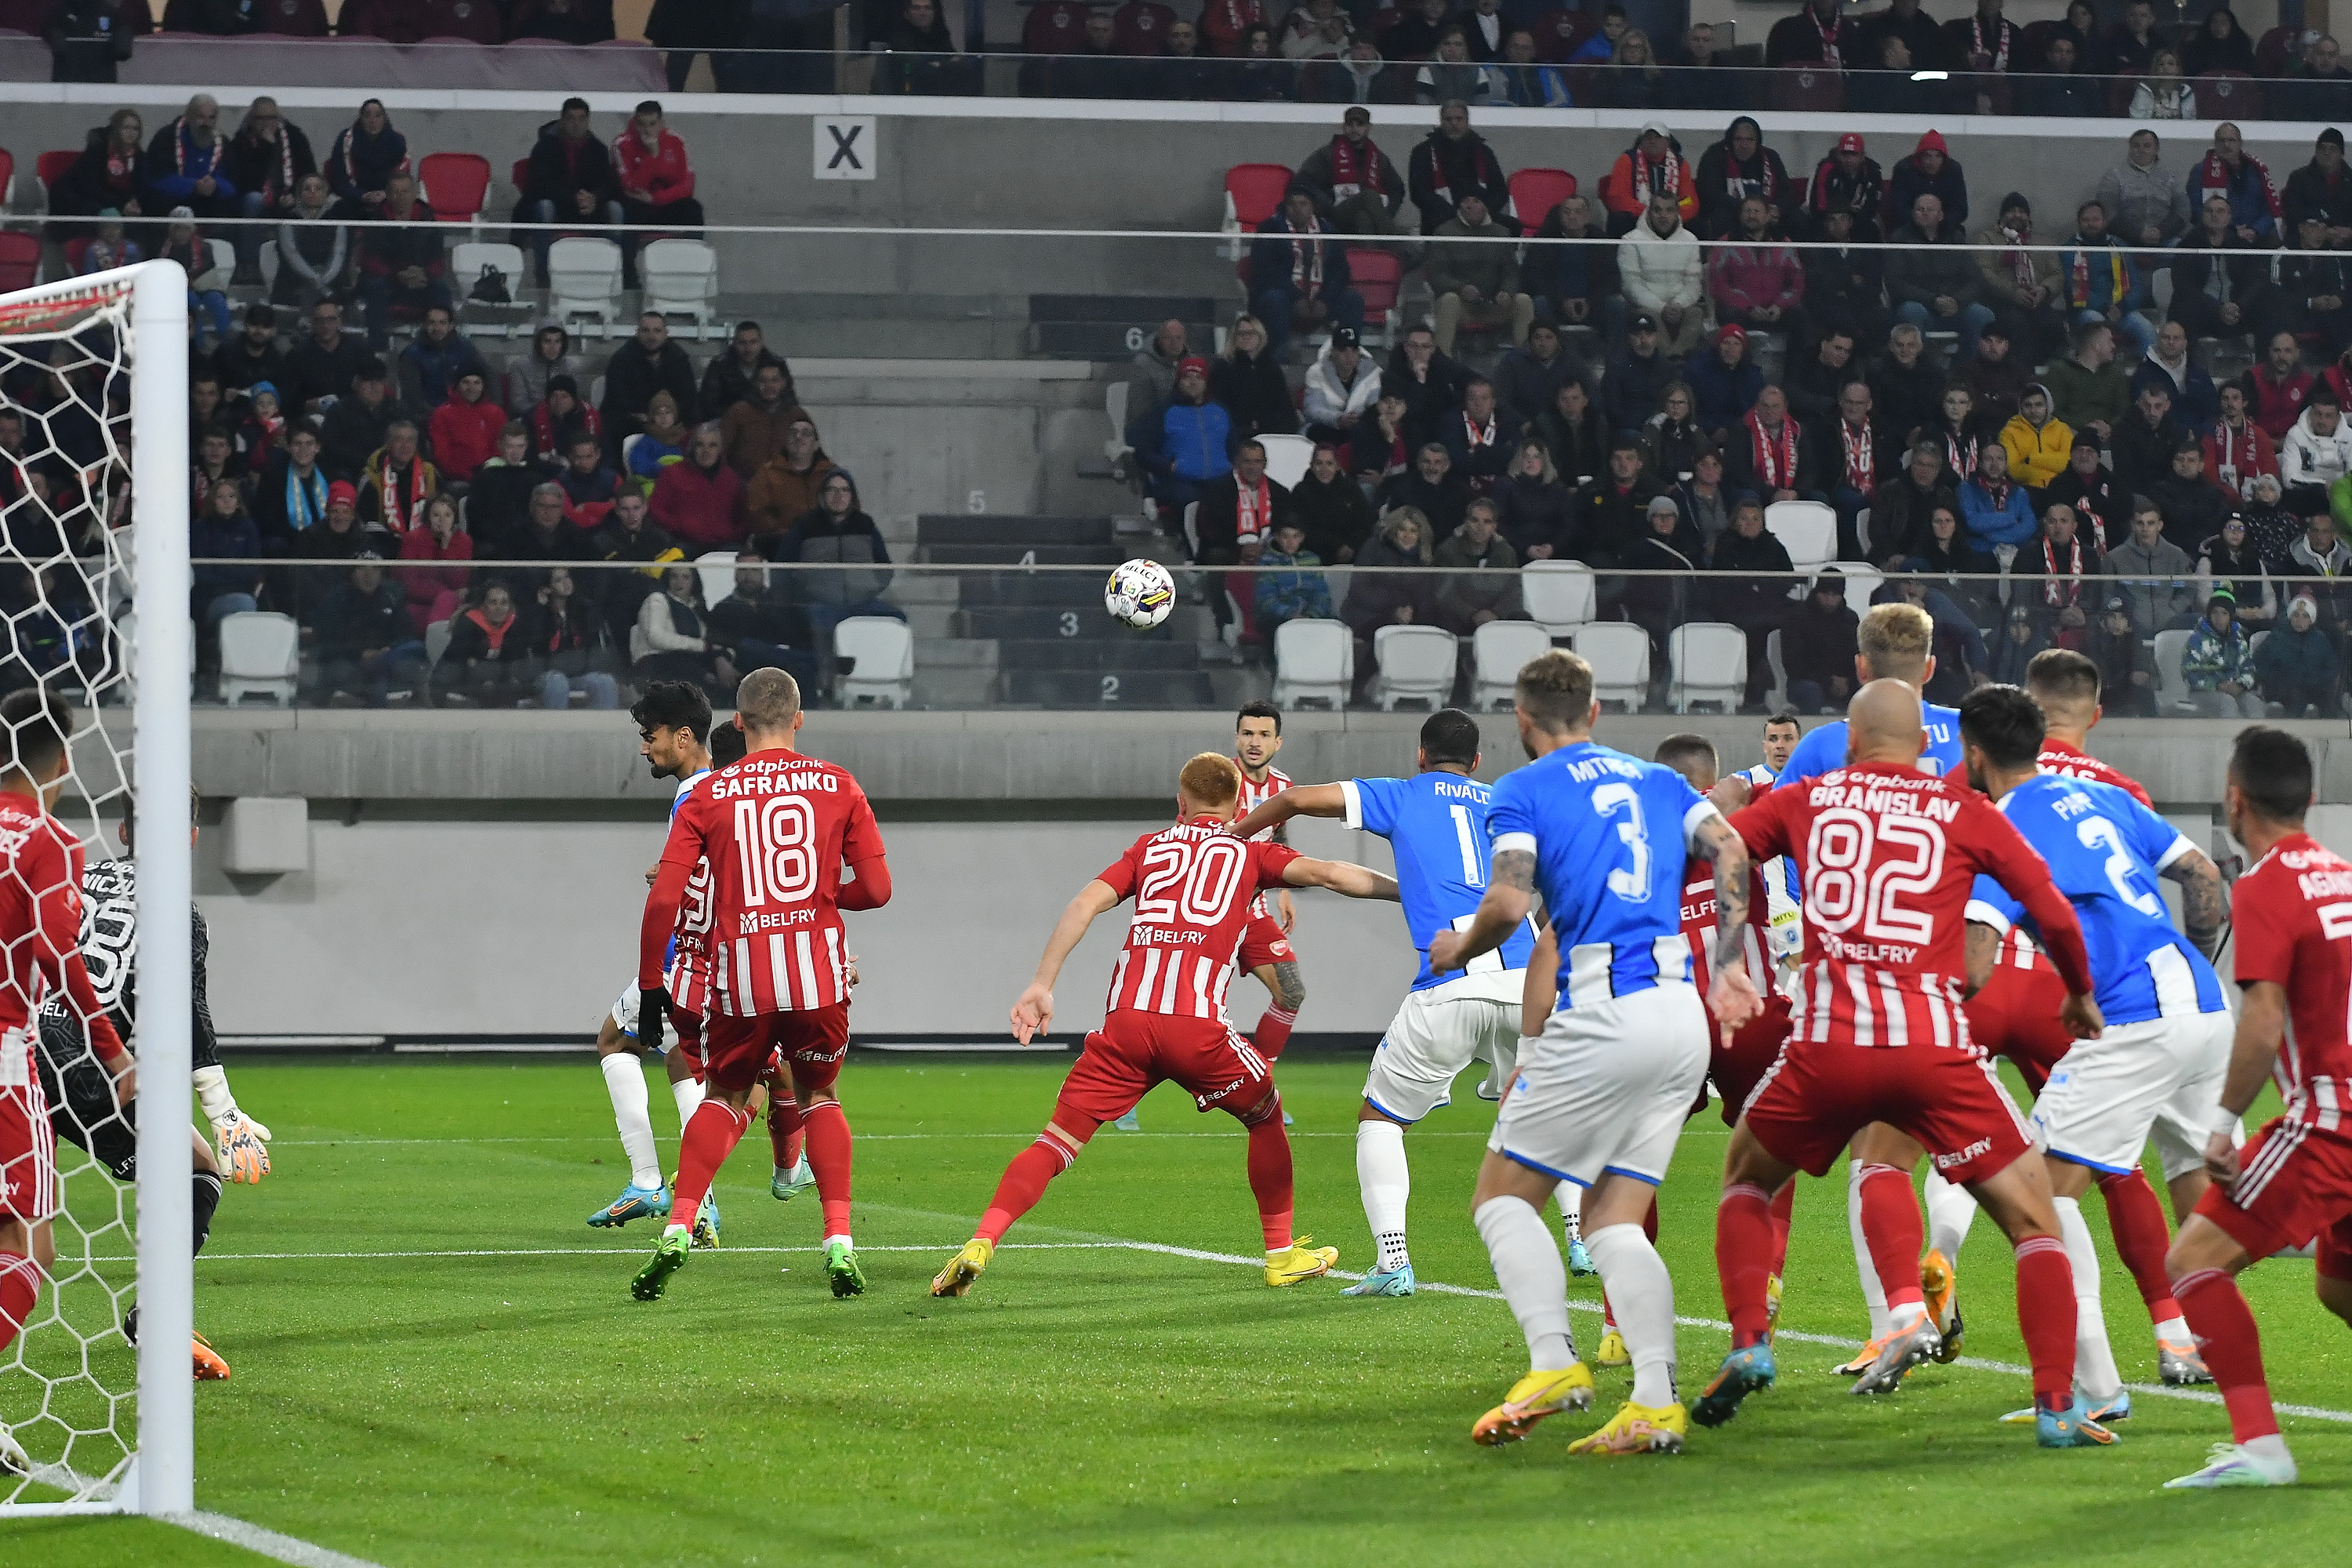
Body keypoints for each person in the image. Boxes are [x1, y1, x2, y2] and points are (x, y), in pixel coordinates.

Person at [1697, 676, 2108, 1440]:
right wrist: (2080, 992)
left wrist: (1728, 958)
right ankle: (2057, 1405)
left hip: (1825, 1047)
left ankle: (1752, 1339)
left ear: (1851, 742)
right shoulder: (1964, 808)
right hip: (1933, 1044)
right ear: (1926, 745)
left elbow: (1727, 848)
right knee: (2035, 1219)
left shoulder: (1806, 797)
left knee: (1747, 1177)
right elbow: (2048, 902)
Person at [1425, 649, 1755, 1455]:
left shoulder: (1523, 790)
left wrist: (1457, 944)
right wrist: (1731, 966)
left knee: (1502, 1198)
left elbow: (1507, 901)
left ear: (1523, 719)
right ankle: (1653, 1398)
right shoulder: (1662, 781)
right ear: (1597, 711)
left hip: (1604, 1008)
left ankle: (1553, 1361)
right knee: (1614, 1216)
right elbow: (1733, 850)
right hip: (1682, 1013)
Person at [931, 750, 1400, 1299]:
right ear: (1235, 806)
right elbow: (1331, 874)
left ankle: (982, 1241)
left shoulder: (1150, 848)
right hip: (1196, 1030)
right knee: (1266, 1115)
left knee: (1055, 1141)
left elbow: (1084, 904)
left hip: (1126, 1025)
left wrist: (1041, 983)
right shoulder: (1251, 854)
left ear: (1180, 803)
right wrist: (1409, 890)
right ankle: (1281, 1254)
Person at [1946, 684, 2230, 1424]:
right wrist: (2190, 973)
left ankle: (2097, 1391)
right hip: (2202, 1002)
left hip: (2133, 1020)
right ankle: (2207, 1350)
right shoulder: (2096, 794)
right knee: (2191, 1177)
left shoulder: (2000, 827)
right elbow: (2205, 880)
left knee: (2036, 1193)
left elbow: (1975, 964)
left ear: (1974, 753)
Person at [626, 670, 888, 1299]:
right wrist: (821, 897)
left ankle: (681, 1225)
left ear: (737, 723)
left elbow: (665, 894)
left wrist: (651, 981)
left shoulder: (710, 794)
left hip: (741, 976)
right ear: (799, 720)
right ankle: (838, 1243)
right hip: (817, 974)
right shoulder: (840, 784)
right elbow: (877, 891)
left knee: (722, 1094)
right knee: (819, 1095)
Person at [2152, 727, 2352, 1486]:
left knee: (2193, 1260)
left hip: (2329, 1121)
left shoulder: (2268, 884)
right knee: (2340, 1284)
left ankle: (2261, 1448)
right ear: (2307, 797)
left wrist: (2224, 1123)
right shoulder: (2341, 874)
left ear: (2235, 798)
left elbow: (2264, 1020)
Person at [0, 688, 135, 1455]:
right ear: (59, 762)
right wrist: (114, 1051)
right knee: (32, 1246)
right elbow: (58, 951)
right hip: (5, 1060)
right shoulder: (49, 837)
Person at [768, 468, 898, 644]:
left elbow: (885, 567)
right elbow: (782, 569)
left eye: (845, 490)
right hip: (818, 605)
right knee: (818, 627)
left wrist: (869, 587)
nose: (839, 495)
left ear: (852, 496)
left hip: (862, 603)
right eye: (832, 489)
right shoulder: (805, 526)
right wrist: (802, 591)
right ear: (822, 495)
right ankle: (826, 671)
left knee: (897, 618)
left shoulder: (865, 526)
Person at [1249, 188, 1363, 360]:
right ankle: (1277, 360)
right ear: (1285, 207)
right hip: (1285, 299)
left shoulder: (1328, 231)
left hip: (1321, 300)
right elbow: (1266, 271)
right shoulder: (1270, 228)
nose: (1297, 209)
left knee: (1353, 300)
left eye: (1303, 204)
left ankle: (1348, 356)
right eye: (1292, 204)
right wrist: (1296, 298)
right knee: (1273, 299)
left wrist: (1325, 300)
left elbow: (1339, 271)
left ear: (1313, 207)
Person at [520, 96, 623, 281]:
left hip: (590, 211)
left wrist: (595, 198)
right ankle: (544, 277)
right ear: (562, 121)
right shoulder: (544, 147)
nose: (576, 124)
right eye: (571, 118)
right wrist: (573, 198)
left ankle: (612, 276)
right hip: (558, 207)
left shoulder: (598, 149)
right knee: (544, 208)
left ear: (588, 121)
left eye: (581, 119)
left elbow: (609, 183)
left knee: (615, 210)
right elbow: (539, 184)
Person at [1427, 191, 1532, 356]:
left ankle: (1527, 359)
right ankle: (1442, 361)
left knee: (1523, 301)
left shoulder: (1502, 233)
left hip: (1494, 306)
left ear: (1485, 206)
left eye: (1476, 201)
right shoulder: (1444, 232)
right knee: (1448, 301)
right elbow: (1436, 275)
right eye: (1465, 201)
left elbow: (1511, 271)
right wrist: (1460, 288)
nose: (1470, 205)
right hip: (1462, 307)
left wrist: (1507, 291)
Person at [223, 97, 315, 281]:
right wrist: (266, 147)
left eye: (271, 118)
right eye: (260, 118)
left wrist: (296, 194)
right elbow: (245, 182)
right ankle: (249, 264)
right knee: (253, 200)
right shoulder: (240, 143)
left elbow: (309, 172)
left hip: (291, 195)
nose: (266, 123)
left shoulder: (295, 138)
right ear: (251, 119)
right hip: (256, 198)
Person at [612, 100, 703, 281]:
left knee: (693, 208)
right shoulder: (622, 144)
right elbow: (629, 185)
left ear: (661, 123)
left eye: (652, 124)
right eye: (642, 125)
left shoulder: (677, 142)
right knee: (627, 209)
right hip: (639, 207)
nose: (647, 130)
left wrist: (656, 199)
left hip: (664, 203)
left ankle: (693, 272)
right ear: (635, 123)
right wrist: (652, 157)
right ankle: (628, 277)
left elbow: (686, 186)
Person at [601, 312, 699, 468]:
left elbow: (689, 398)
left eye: (657, 331)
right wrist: (648, 418)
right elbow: (617, 400)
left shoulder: (679, 359)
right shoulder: (621, 360)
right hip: (633, 423)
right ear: (637, 333)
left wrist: (669, 417)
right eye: (646, 331)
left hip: (673, 422)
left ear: (666, 333)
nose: (651, 336)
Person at [2171, 195, 2265, 353]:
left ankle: (2264, 372)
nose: (2215, 215)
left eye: (2220, 211)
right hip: (2203, 312)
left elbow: (2255, 280)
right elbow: (2184, 287)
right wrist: (2217, 309)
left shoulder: (2240, 246)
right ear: (2202, 215)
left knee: (2266, 306)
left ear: (2229, 216)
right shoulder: (2188, 244)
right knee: (2185, 309)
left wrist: (2238, 305)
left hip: (2235, 312)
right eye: (2209, 211)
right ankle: (2191, 372)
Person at [1617, 191, 1705, 360]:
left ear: (1677, 212)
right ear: (1649, 211)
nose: (1663, 216)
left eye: (1669, 210)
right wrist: (1660, 307)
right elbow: (1631, 284)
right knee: (1649, 315)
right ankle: (1672, 361)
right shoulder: (1630, 240)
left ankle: (1675, 357)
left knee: (1696, 314)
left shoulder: (1691, 240)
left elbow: (1694, 281)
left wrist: (1680, 304)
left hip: (1681, 305)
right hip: (1647, 305)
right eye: (1658, 210)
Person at [1295, 107, 1405, 238]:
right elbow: (1303, 181)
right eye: (1350, 124)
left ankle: (1371, 256)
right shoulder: (1328, 154)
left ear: (1369, 128)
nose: (1354, 129)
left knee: (1363, 219)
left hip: (1365, 215)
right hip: (1335, 213)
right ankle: (1392, 236)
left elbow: (1397, 188)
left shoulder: (1378, 157)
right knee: (1369, 196)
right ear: (1343, 127)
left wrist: (1387, 212)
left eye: (1360, 124)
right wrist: (1327, 205)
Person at [1706, 198, 1803, 343]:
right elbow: (1718, 284)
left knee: (1800, 317)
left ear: (1767, 216)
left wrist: (1779, 305)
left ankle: (1795, 366)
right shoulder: (1726, 243)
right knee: (1729, 314)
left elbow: (1797, 282)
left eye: (1757, 211)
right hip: (1741, 313)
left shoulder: (1783, 242)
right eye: (1747, 211)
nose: (1752, 216)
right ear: (1740, 216)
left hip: (1775, 312)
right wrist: (1748, 307)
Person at [1406, 100, 1508, 237]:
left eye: (1459, 119)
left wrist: (1481, 211)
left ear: (1467, 121)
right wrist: (1457, 214)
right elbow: (1419, 193)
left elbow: (1499, 190)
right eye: (1449, 119)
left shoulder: (1483, 152)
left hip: (1483, 215)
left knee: (1512, 226)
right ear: (1441, 121)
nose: (1454, 124)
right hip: (1441, 216)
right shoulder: (1423, 152)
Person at [2264, 209, 2352, 359]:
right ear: (2301, 228)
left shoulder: (2331, 258)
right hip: (2292, 315)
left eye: (2323, 229)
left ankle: (2343, 368)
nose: (2319, 233)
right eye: (2314, 228)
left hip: (2322, 316)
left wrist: (2338, 299)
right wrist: (2309, 303)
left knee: (2343, 317)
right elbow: (2275, 294)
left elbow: (2340, 289)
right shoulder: (2284, 254)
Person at [2106, 499, 2197, 637]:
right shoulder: (2114, 557)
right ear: (2133, 525)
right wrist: (2121, 616)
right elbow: (2108, 594)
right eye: (2140, 523)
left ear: (2160, 526)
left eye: (2151, 523)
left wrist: (2172, 610)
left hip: (2171, 624)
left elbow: (2189, 589)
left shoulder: (2177, 555)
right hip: (2131, 629)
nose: (2145, 529)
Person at [1692, 116, 1792, 241]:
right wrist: (1743, 208)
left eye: (1750, 140)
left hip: (1766, 211)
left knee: (1797, 219)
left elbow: (1787, 191)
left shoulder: (1770, 157)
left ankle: (1794, 259)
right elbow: (1709, 192)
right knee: (1721, 218)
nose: (1744, 145)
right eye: (1738, 139)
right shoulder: (1715, 155)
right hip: (1730, 209)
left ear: (1758, 141)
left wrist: (1777, 209)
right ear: (1730, 141)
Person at [2098, 129, 2194, 255]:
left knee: (2180, 247)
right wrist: (2138, 234)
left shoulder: (2171, 176)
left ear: (2156, 150)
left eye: (2147, 146)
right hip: (2124, 239)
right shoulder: (2114, 175)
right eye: (2136, 146)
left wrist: (2161, 232)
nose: (2141, 150)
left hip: (2165, 238)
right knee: (2112, 247)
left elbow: (2183, 210)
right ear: (2130, 148)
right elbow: (2108, 211)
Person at [2190, 123, 2281, 249]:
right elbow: (2197, 210)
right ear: (2215, 144)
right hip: (2217, 234)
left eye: (2231, 140)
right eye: (2222, 140)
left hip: (2254, 233)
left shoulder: (2257, 170)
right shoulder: (2201, 171)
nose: (2226, 145)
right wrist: (2232, 230)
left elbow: (2270, 209)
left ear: (2240, 143)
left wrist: (2256, 230)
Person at [1601, 122, 1697, 240]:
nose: (1652, 141)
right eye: (1648, 138)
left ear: (1667, 141)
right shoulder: (1627, 160)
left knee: (1697, 224)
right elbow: (1617, 198)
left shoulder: (1680, 164)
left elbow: (1689, 201)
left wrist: (1671, 214)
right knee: (1620, 220)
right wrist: (1651, 213)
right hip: (1637, 216)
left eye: (1658, 137)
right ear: (1641, 141)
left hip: (1672, 217)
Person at [2179, 590, 2264, 716]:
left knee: (2254, 703)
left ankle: (2257, 736)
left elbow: (2248, 668)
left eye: (2224, 614)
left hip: (2234, 690)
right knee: (2227, 703)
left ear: (2231, 616)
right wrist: (2218, 685)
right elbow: (2190, 672)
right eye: (2215, 613)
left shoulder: (2238, 638)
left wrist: (2240, 685)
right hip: (2203, 692)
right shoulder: (2197, 639)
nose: (2219, 618)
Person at [322, 98, 409, 220]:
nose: (372, 121)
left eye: (377, 116)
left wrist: (386, 194)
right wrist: (362, 195)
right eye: (367, 116)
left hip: (387, 198)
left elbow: (402, 177)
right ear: (361, 118)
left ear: (384, 118)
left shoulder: (397, 141)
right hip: (352, 198)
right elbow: (339, 179)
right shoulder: (346, 140)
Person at [2045, 321, 2129, 447]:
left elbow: (2124, 411)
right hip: (2067, 437)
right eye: (2109, 341)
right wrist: (2083, 428)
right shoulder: (2059, 370)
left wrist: (2110, 428)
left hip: (2108, 438)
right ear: (2096, 345)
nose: (2113, 346)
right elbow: (2053, 410)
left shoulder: (2115, 374)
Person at [2253, 594, 2336, 714]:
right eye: (2296, 615)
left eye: (2305, 616)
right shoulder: (2276, 638)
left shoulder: (2320, 640)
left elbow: (2331, 668)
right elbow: (2260, 665)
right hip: (2282, 692)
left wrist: (2314, 680)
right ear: (2289, 617)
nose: (2299, 621)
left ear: (2311, 619)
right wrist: (2280, 680)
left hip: (2312, 692)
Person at [699, 321, 790, 425]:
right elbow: (709, 404)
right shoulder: (719, 365)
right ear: (734, 343)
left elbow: (788, 399)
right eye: (742, 343)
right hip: (728, 420)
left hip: (769, 419)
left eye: (753, 342)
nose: (748, 349)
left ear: (761, 343)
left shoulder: (776, 364)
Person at [2113, 379, 2189, 501]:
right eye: (2147, 406)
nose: (2152, 412)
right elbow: (2125, 473)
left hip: (2167, 494)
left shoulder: (2177, 432)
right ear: (2139, 404)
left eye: (2157, 406)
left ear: (2167, 406)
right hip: (2134, 494)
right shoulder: (2123, 431)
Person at [2281, 387, 2352, 516]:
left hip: (2342, 496)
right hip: (2307, 496)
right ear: (2310, 413)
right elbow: (2289, 479)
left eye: (2328, 416)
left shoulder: (2350, 437)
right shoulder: (2295, 435)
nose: (2322, 421)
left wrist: (2337, 490)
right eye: (2318, 414)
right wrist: (2322, 487)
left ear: (2338, 418)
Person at [1806, 133, 1887, 244]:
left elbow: (1872, 207)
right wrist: (1837, 224)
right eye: (1845, 155)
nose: (1849, 160)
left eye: (1853, 155)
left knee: (1873, 230)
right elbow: (1817, 206)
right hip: (1829, 221)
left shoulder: (1873, 171)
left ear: (1863, 156)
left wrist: (1849, 224)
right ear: (1838, 155)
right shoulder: (1826, 169)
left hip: (1860, 221)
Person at [2245, 330, 2317, 444]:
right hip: (2257, 443)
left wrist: (2288, 443)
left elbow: (2309, 422)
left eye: (2287, 351)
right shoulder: (2252, 377)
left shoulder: (2308, 382)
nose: (2281, 357)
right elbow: (2246, 418)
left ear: (2297, 353)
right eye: (2277, 351)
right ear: (2270, 352)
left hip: (2295, 444)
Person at [507, 321, 586, 422]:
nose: (553, 347)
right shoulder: (520, 366)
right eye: (547, 341)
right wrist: (544, 415)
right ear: (538, 343)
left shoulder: (572, 367)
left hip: (564, 419)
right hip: (529, 419)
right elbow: (518, 403)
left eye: (557, 341)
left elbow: (578, 401)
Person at [1642, 382, 1713, 484]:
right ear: (1664, 404)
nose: (1676, 407)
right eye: (1671, 402)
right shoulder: (1653, 427)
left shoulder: (1695, 431)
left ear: (1689, 406)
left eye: (1681, 403)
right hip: (1660, 485)